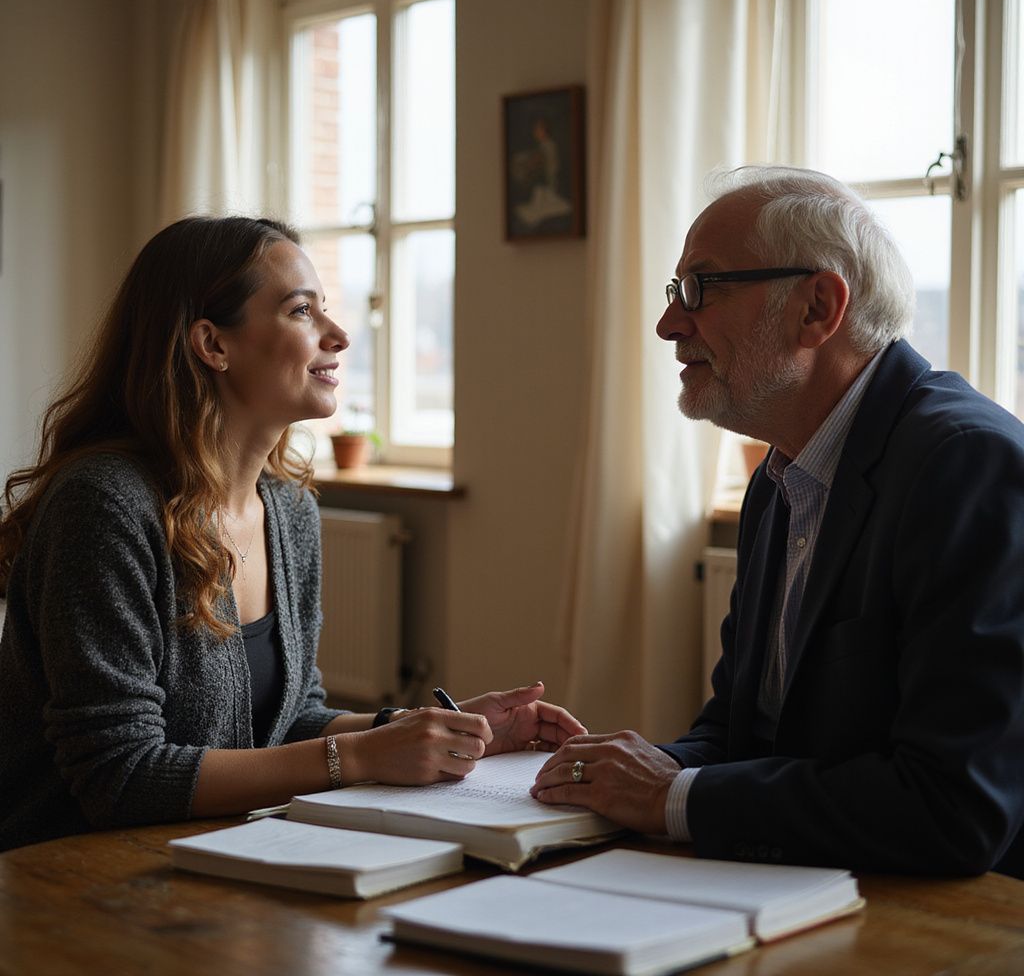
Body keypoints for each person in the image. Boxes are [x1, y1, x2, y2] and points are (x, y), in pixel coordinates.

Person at [0, 216, 584, 852]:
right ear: (212, 345)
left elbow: (290, 720)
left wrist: (435, 730)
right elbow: (119, 776)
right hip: (67, 879)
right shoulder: (105, 505)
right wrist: (359, 756)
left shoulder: (288, 509)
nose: (338, 334)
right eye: (303, 311)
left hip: (222, 858)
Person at [532, 166, 1024, 878]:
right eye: (675, 293)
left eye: (700, 288)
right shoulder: (782, 473)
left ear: (817, 308)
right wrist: (622, 771)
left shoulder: (966, 465)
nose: (669, 324)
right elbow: (739, 730)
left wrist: (672, 795)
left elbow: (953, 806)